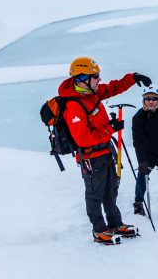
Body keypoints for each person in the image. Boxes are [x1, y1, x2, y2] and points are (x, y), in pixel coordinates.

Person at [59, 57, 151, 244]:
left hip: (106, 152)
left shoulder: (91, 93)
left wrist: (132, 78)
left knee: (111, 190)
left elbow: (112, 88)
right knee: (95, 194)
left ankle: (115, 223)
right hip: (91, 157)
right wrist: (110, 128)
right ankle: (99, 229)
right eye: (96, 77)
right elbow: (82, 139)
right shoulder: (74, 106)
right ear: (82, 78)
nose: (99, 80)